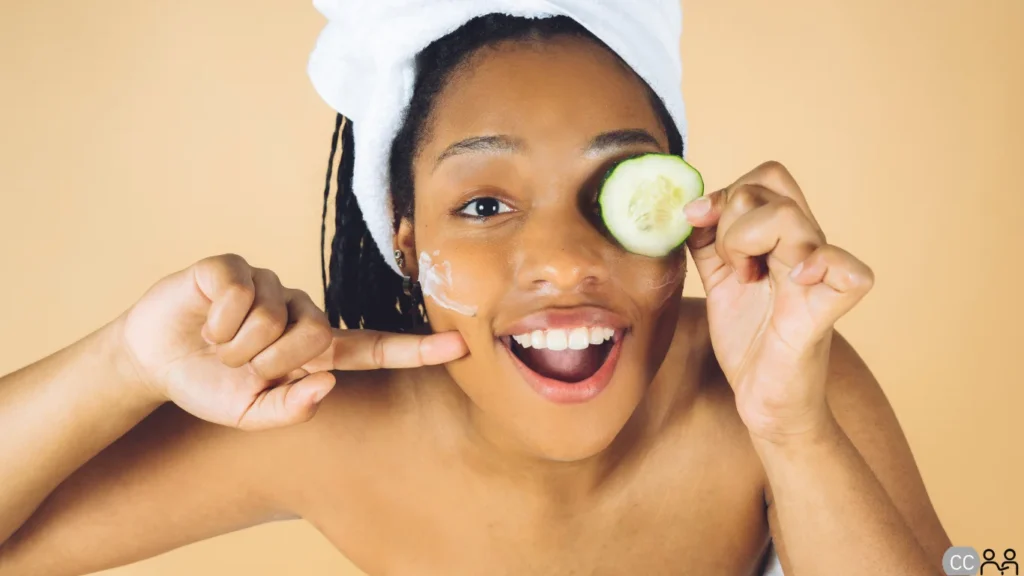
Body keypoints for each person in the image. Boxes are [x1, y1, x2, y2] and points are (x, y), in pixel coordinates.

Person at [0, 5, 951, 576]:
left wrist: (794, 430)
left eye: (612, 191)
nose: (563, 260)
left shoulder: (782, 391)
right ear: (405, 240)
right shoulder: (323, 425)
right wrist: (124, 360)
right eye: (488, 203)